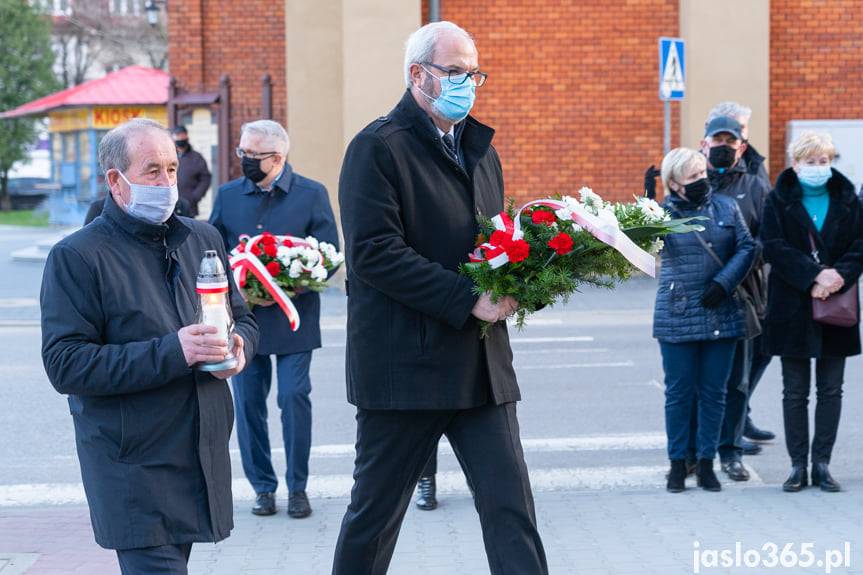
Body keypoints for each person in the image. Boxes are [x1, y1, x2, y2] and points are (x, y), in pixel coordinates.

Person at [332, 21, 548, 574]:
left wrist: (524, 279)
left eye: (474, 73)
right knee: (374, 518)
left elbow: (494, 242)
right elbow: (373, 253)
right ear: (417, 75)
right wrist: (466, 297)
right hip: (405, 370)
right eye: (455, 72)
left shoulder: (480, 149)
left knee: (512, 511)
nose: (468, 83)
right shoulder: (377, 148)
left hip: (481, 369)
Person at [40, 118, 258, 574]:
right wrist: (174, 352)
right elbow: (66, 364)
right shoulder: (77, 256)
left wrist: (238, 349)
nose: (167, 183)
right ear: (116, 182)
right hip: (132, 461)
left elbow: (244, 318)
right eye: (152, 172)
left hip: (198, 448)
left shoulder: (202, 238)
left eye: (172, 170)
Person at [210, 119, 339, 519]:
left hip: (294, 319)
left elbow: (330, 254)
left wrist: (289, 283)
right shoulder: (229, 195)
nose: (244, 160)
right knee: (248, 403)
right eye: (242, 153)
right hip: (244, 323)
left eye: (252, 155)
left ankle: (297, 487)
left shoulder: (311, 194)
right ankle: (263, 488)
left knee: (293, 398)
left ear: (278, 157)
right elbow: (212, 249)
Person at [761, 132, 863, 493]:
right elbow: (772, 246)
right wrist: (814, 276)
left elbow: (859, 244)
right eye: (810, 161)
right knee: (794, 391)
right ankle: (796, 465)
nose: (818, 168)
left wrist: (836, 276)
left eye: (824, 161)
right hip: (792, 306)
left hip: (837, 305)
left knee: (832, 389)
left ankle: (821, 464)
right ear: (795, 163)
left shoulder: (848, 198)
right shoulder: (778, 200)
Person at [654, 147, 755, 493]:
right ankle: (678, 464)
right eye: (692, 177)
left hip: (721, 311)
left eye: (702, 173)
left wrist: (723, 283)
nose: (701, 181)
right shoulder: (660, 214)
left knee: (714, 394)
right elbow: (638, 247)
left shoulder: (725, 207)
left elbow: (746, 247)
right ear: (674, 184)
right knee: (679, 394)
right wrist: (642, 205)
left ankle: (708, 462)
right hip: (677, 314)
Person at [698, 115, 771, 481]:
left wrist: (731, 276)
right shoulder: (694, 181)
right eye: (717, 140)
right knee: (700, 381)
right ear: (704, 143)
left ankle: (731, 450)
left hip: (742, 294)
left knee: (736, 381)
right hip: (699, 298)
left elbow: (764, 241)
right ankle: (698, 453)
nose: (723, 146)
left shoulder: (756, 187)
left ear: (742, 146)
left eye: (731, 140)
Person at [172, 125, 212, 217]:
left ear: (187, 137)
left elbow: (205, 178)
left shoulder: (196, 157)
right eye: (177, 136)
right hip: (170, 207)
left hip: (189, 207)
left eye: (182, 136)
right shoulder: (169, 156)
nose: (180, 139)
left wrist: (195, 196)